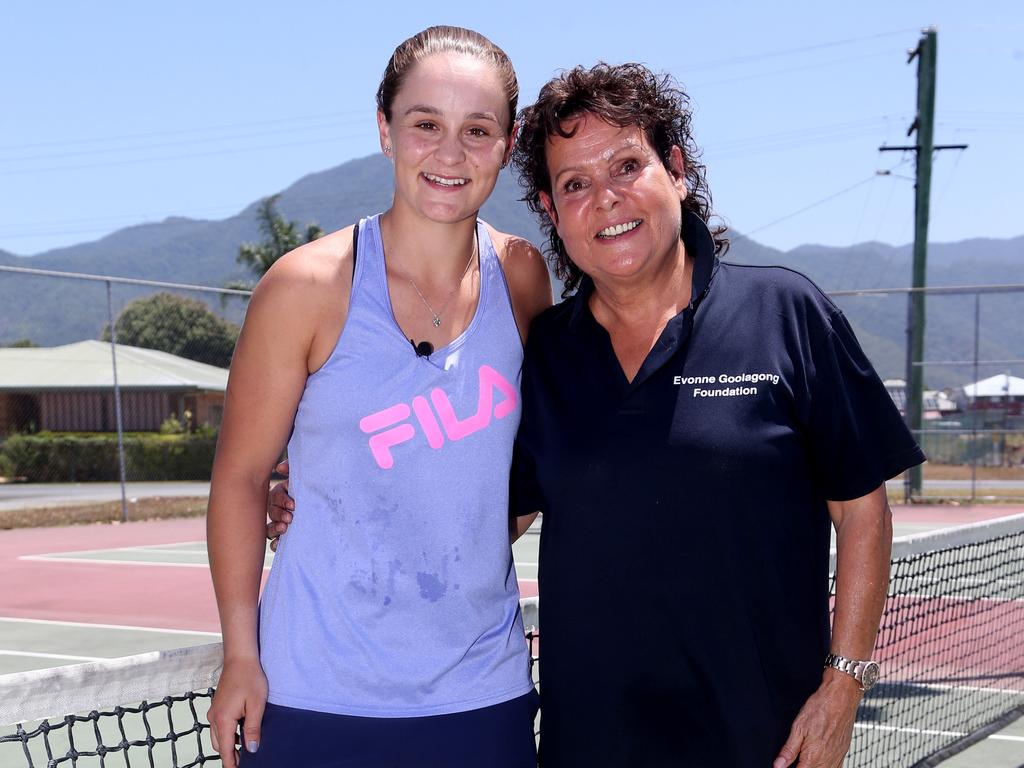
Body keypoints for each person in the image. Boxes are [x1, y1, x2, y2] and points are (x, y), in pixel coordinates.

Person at [270, 62, 924, 767]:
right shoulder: (545, 351)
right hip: (588, 747)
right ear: (551, 212)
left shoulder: (787, 313)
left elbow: (862, 509)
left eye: (626, 166)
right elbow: (482, 506)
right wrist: (323, 504)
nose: (606, 200)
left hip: (764, 744)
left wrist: (843, 685)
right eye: (575, 184)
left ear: (675, 169)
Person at [207, 25, 550, 768]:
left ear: (509, 142)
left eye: (477, 130)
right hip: (314, 695)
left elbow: (514, 473)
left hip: (479, 694)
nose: (450, 153)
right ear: (385, 129)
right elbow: (238, 478)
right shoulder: (303, 287)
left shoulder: (524, 279)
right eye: (425, 123)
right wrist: (241, 653)